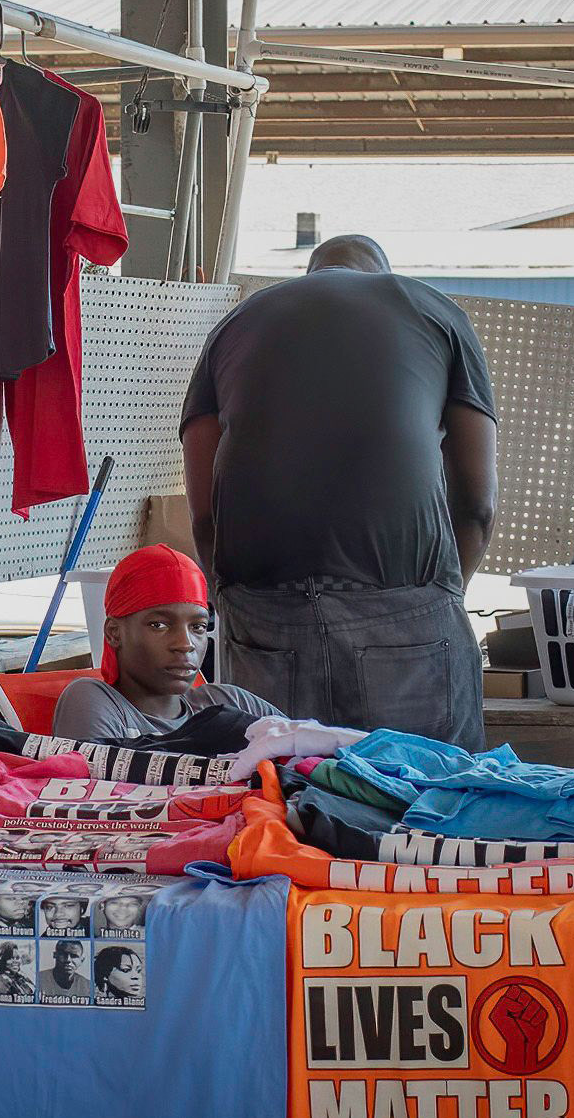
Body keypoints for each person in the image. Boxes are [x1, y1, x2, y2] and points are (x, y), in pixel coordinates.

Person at [180, 233, 498, 749]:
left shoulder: (236, 325)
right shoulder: (433, 311)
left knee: (275, 799)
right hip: (406, 604)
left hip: (263, 610)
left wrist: (230, 600)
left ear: (310, 274)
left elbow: (203, 509)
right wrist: (439, 601)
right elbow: (478, 504)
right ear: (381, 272)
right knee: (427, 798)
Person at [52, 544, 282, 739]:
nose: (185, 644)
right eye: (159, 625)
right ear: (114, 633)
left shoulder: (231, 702)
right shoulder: (94, 701)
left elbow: (313, 763)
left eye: (198, 627)